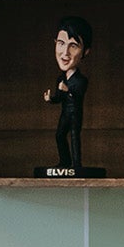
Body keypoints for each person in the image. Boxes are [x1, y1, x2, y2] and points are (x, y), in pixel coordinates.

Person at [41, 17, 92, 177]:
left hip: (75, 113)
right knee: (59, 135)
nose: (65, 53)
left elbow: (77, 95)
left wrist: (68, 90)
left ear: (85, 52)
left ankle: (76, 165)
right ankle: (64, 162)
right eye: (61, 43)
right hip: (65, 113)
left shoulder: (81, 80)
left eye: (73, 46)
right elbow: (59, 97)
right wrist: (51, 99)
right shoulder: (61, 79)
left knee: (75, 137)